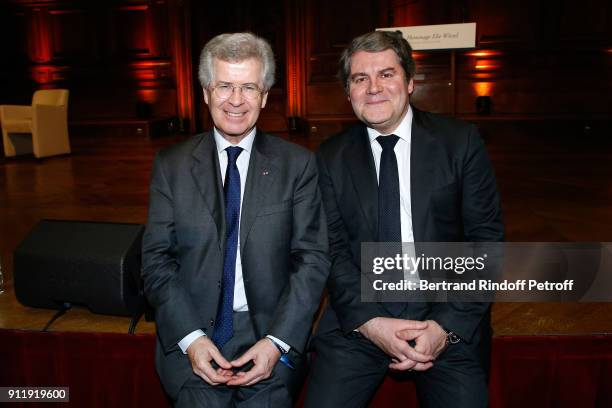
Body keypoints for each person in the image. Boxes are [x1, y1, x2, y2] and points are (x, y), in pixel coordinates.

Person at [305, 30, 504, 408]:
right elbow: (331, 249)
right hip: (360, 320)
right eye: (360, 78)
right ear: (348, 93)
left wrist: (445, 328)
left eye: (386, 74)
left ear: (410, 82)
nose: (373, 87)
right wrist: (370, 323)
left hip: (446, 316)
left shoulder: (459, 142)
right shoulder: (330, 157)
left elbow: (486, 240)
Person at [142, 32, 329, 408]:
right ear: (206, 92)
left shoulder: (298, 166)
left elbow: (313, 259)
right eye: (225, 86)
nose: (236, 100)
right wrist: (192, 340)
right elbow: (156, 262)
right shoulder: (171, 166)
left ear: (264, 96)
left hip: (269, 336)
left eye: (248, 87)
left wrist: (277, 342)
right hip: (193, 335)